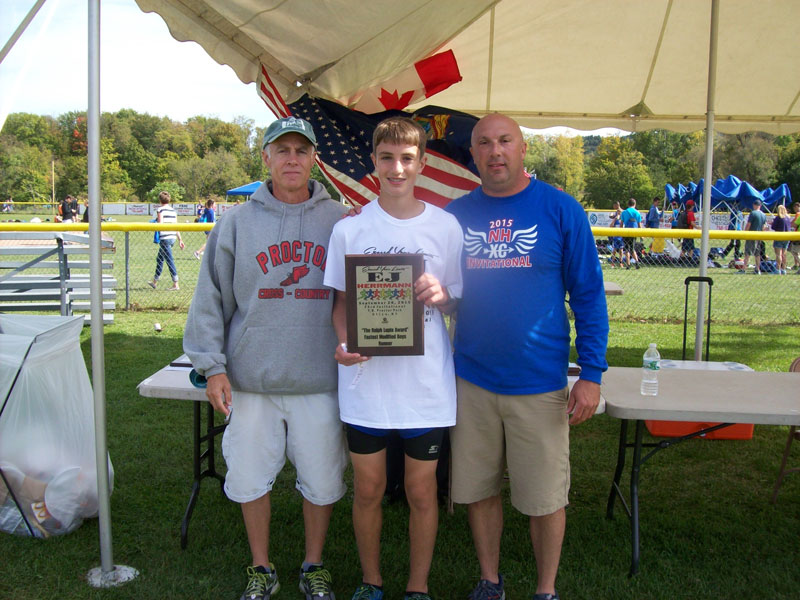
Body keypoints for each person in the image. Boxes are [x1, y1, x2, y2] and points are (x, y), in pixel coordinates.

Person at [445, 113, 608, 600]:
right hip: (471, 377)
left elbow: (589, 296)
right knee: (478, 488)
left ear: (522, 149)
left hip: (539, 382)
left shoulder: (561, 210)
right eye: (485, 144)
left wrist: (592, 372)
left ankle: (545, 590)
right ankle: (490, 579)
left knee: (543, 498)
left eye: (505, 141)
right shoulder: (454, 216)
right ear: (472, 154)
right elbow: (440, 286)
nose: (495, 152)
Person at [183, 116, 348, 600]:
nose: (292, 158)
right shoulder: (236, 222)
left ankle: (313, 565)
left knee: (321, 479)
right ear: (266, 158)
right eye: (283, 150)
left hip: (319, 378)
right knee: (251, 476)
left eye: (302, 149)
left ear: (314, 157)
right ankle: (262, 567)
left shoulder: (339, 220)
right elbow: (210, 299)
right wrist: (211, 366)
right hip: (251, 380)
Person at [324, 116, 463, 600]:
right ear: (374, 162)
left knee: (424, 492)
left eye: (407, 158)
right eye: (387, 158)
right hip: (367, 388)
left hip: (424, 387)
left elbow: (460, 302)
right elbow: (341, 305)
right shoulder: (350, 230)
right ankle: (371, 580)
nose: (397, 168)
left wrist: (442, 295)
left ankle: (418, 587)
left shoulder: (445, 227)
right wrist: (343, 345)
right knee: (368, 490)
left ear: (422, 163)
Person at [148, 191, 184, 290]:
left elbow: (161, 224)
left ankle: (176, 283)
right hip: (172, 237)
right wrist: (180, 239)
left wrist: (153, 223)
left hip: (165, 238)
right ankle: (154, 281)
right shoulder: (173, 211)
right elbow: (176, 225)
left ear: (160, 200)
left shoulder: (160, 210)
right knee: (159, 259)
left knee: (169, 260)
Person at [739, 199, 767, 275]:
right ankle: (757, 269)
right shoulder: (763, 215)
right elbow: (764, 227)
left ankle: (744, 269)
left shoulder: (753, 213)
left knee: (747, 253)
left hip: (751, 235)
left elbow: (749, 224)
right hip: (759, 236)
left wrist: (745, 233)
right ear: (760, 206)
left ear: (754, 205)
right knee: (757, 253)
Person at [770, 204, 792, 274]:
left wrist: (772, 223)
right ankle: (784, 269)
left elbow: (773, 227)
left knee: (778, 254)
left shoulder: (778, 217)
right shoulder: (788, 218)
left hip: (779, 236)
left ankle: (778, 269)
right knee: (784, 254)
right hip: (786, 237)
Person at [621, 198, 642, 269]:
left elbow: (621, 224)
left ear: (628, 204)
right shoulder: (637, 213)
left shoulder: (624, 212)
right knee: (632, 248)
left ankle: (628, 264)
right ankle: (636, 262)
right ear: (635, 204)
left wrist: (621, 232)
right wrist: (641, 234)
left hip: (626, 231)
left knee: (626, 249)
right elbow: (639, 225)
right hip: (634, 232)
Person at [608, 202, 624, 267]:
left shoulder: (623, 214)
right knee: (614, 249)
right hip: (616, 235)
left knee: (621, 249)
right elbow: (611, 226)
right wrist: (615, 218)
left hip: (621, 234)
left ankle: (620, 262)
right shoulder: (615, 215)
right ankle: (613, 262)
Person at [789, 202, 800, 271]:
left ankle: (797, 264)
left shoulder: (798, 215)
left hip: (798, 235)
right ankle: (796, 265)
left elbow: (794, 225)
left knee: (794, 251)